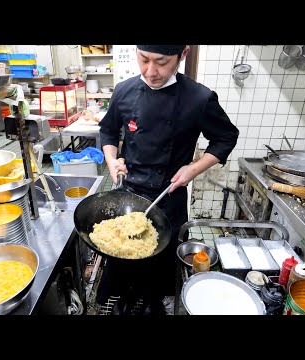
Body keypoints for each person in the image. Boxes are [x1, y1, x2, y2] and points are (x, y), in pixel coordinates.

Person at [97, 45, 239, 315]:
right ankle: (119, 298)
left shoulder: (199, 98)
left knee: (160, 263)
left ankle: (152, 301)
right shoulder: (124, 90)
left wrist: (193, 169)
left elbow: (225, 137)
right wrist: (112, 159)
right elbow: (108, 129)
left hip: (169, 196)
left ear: (182, 55)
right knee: (120, 252)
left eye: (161, 62)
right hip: (129, 195)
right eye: (144, 60)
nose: (151, 72)